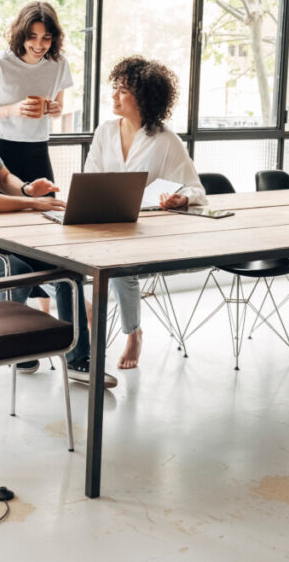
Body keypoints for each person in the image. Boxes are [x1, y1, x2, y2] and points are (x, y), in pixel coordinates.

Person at [0, 79, 117, 388]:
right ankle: (13, 346)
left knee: (68, 272)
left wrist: (28, 189)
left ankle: (77, 360)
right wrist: (31, 203)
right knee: (17, 270)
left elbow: (4, 178)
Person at [84, 56, 207, 370]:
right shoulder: (105, 132)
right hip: (101, 225)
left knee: (119, 264)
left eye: (123, 90)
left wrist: (180, 199)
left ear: (143, 97)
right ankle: (81, 317)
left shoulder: (166, 141)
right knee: (54, 262)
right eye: (115, 88)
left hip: (144, 235)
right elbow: (88, 181)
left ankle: (133, 332)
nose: (114, 95)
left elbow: (196, 190)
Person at [0, 2, 72, 317]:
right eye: (32, 37)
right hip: (3, 147)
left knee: (47, 224)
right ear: (21, 34)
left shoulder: (58, 64)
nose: (38, 45)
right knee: (10, 230)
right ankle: (12, 312)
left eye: (46, 38)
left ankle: (44, 310)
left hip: (38, 147)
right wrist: (14, 109)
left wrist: (53, 109)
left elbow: (60, 107)